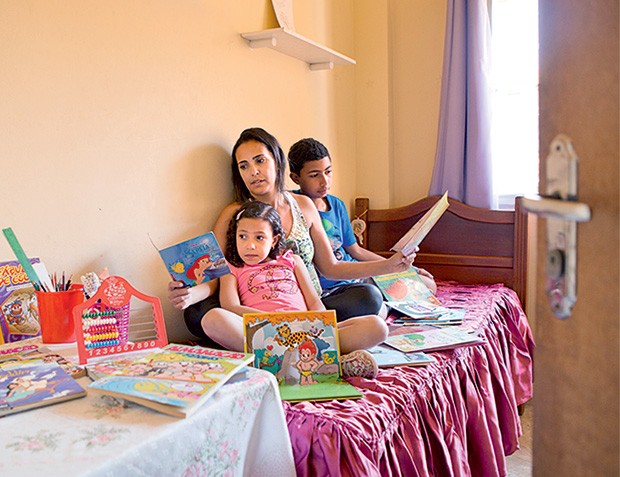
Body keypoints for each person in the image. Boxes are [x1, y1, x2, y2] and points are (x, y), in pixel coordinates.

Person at [168, 127, 416, 350]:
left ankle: (279, 345)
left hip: (307, 306)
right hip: (255, 310)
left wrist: (388, 266)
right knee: (196, 313)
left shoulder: (304, 205)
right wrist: (189, 293)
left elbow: (331, 267)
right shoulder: (233, 214)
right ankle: (310, 347)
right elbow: (217, 274)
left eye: (259, 161)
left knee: (368, 297)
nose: (253, 172)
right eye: (243, 166)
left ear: (276, 161)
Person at [205, 200, 381, 376]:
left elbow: (313, 300)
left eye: (259, 237)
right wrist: (274, 321)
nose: (249, 245)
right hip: (264, 333)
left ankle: (295, 362)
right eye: (242, 236)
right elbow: (230, 306)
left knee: (377, 326)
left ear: (274, 240)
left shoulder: (291, 260)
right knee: (212, 318)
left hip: (304, 330)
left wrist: (318, 325)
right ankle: (320, 364)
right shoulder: (231, 267)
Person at [287, 137, 438, 297]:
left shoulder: (336, 204)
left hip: (356, 276)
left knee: (427, 285)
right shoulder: (292, 207)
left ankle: (391, 302)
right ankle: (386, 303)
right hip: (333, 286)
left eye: (328, 172)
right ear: (296, 178)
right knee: (375, 299)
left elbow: (356, 251)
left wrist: (406, 267)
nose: (324, 181)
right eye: (314, 175)